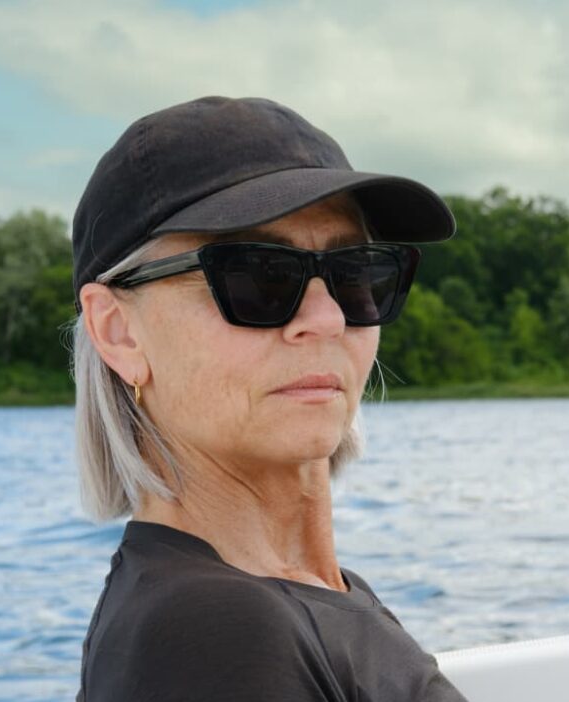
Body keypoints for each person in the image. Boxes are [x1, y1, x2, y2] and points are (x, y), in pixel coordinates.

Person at [71, 96, 469, 701]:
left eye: (354, 273)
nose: (327, 318)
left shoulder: (307, 595)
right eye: (259, 276)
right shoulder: (216, 632)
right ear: (118, 332)